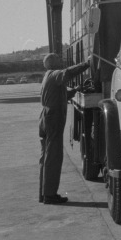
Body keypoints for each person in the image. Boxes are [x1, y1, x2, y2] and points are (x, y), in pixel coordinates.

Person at [39, 52, 93, 204]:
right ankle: (49, 195)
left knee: (47, 156)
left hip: (47, 117)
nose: (60, 60)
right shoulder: (55, 74)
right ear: (51, 63)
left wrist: (75, 90)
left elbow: (60, 94)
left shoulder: (48, 76)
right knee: (54, 156)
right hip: (53, 117)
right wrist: (87, 64)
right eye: (57, 58)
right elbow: (67, 73)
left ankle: (44, 194)